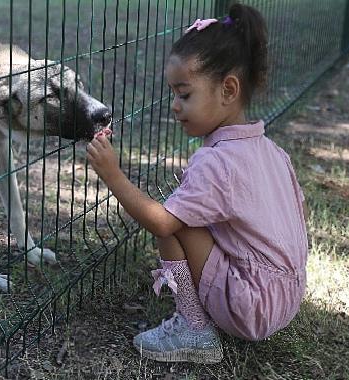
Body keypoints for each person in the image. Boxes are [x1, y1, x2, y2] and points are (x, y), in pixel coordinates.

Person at [86, 3, 308, 364]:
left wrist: (113, 174)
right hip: (288, 295)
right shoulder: (273, 152)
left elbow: (161, 223)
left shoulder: (216, 160)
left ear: (228, 90)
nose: (175, 106)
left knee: (171, 222)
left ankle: (194, 328)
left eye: (184, 94)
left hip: (250, 306)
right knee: (185, 212)